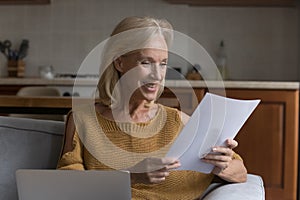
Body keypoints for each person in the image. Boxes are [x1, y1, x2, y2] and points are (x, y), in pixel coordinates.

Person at [57, 16, 247, 200]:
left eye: (163, 64)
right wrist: (132, 177)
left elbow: (241, 173)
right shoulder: (83, 120)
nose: (157, 75)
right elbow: (67, 186)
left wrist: (221, 164)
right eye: (146, 62)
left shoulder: (179, 122)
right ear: (119, 62)